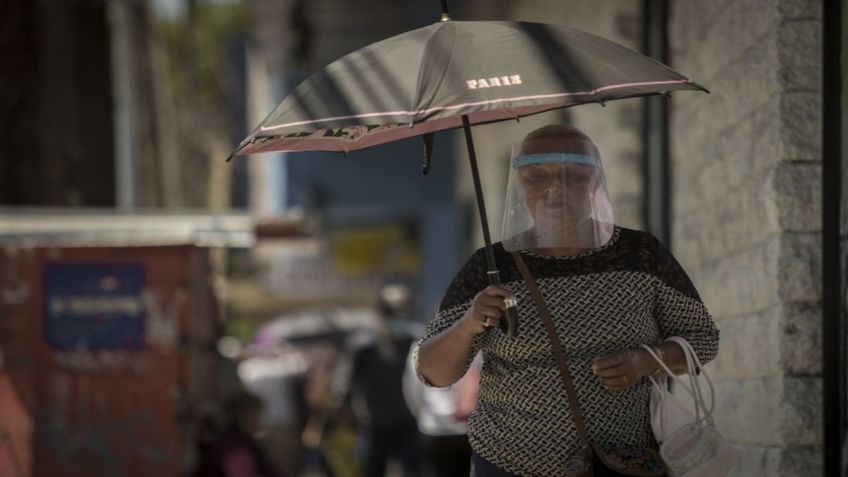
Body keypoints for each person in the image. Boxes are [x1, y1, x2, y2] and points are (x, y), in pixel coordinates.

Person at [413, 124, 720, 476]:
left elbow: (703, 339)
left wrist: (645, 361)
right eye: (535, 176)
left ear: (594, 183)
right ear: (520, 185)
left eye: (572, 176)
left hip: (621, 464)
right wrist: (469, 323)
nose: (553, 189)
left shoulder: (640, 254)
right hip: (508, 463)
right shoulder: (489, 266)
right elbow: (433, 372)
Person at [334, 283, 425, 477]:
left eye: (403, 312)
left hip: (410, 424)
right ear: (381, 312)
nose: (398, 318)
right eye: (393, 313)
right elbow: (343, 385)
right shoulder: (363, 345)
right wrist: (347, 414)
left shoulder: (418, 341)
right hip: (373, 426)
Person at [194, 392, 284, 477]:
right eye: (258, 415)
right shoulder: (233, 445)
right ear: (248, 416)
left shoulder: (240, 440)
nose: (261, 421)